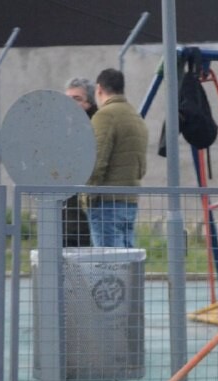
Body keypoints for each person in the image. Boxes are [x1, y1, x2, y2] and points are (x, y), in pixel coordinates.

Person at [83, 68, 148, 248]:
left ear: (99, 89)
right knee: (126, 265)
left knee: (108, 267)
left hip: (106, 202)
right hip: (129, 200)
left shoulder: (105, 115)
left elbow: (95, 163)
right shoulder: (135, 116)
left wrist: (87, 195)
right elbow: (141, 167)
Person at [61, 77, 95, 247]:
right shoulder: (61, 128)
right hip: (64, 208)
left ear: (89, 102)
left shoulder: (94, 125)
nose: (71, 104)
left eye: (77, 99)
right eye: (68, 99)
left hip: (85, 208)